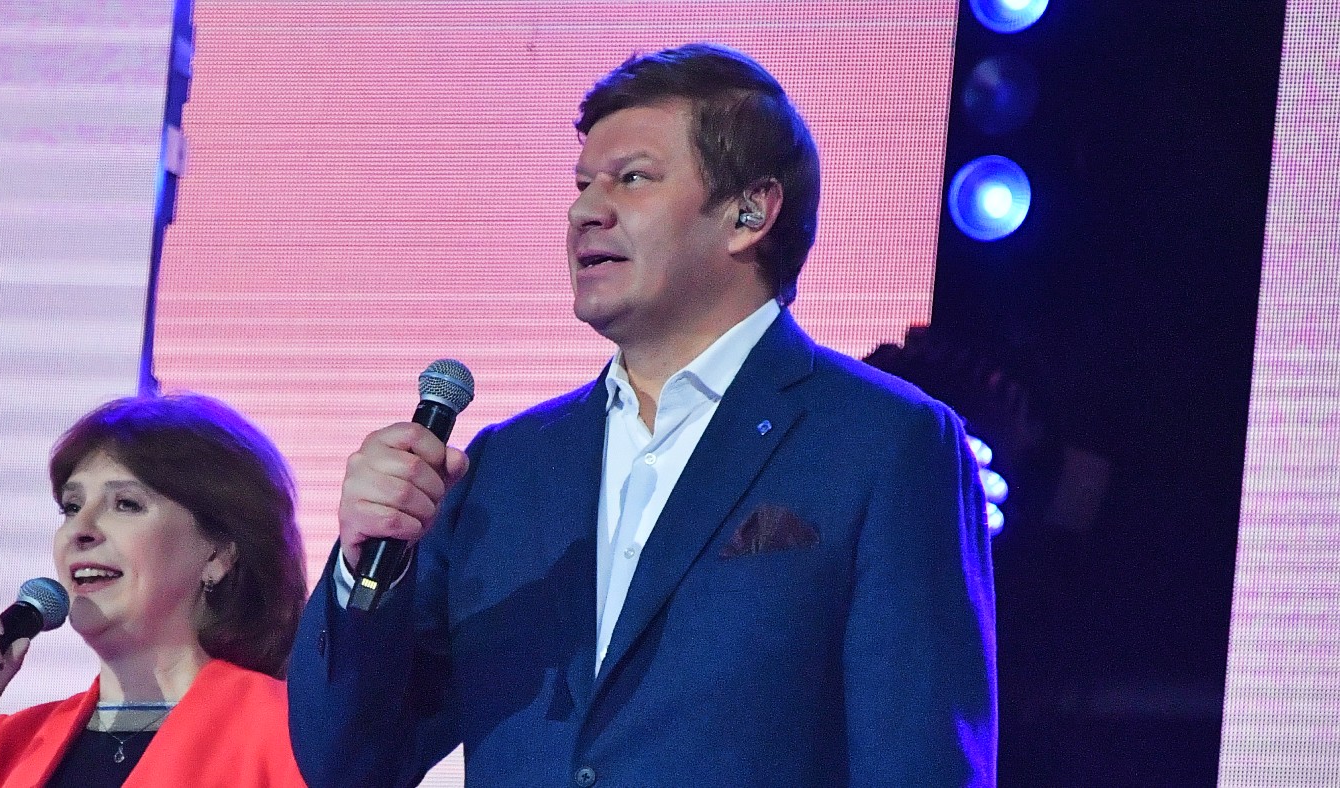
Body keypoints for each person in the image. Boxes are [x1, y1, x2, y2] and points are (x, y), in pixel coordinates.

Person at [289, 43, 996, 786]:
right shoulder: (504, 469)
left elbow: (921, 763)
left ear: (750, 212)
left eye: (632, 178)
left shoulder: (882, 443)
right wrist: (366, 568)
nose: (585, 211)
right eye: (582, 185)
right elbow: (347, 763)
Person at [0, 394, 309, 787]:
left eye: (126, 504)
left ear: (217, 554)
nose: (80, 529)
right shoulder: (12, 746)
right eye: (71, 506)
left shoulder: (293, 735)